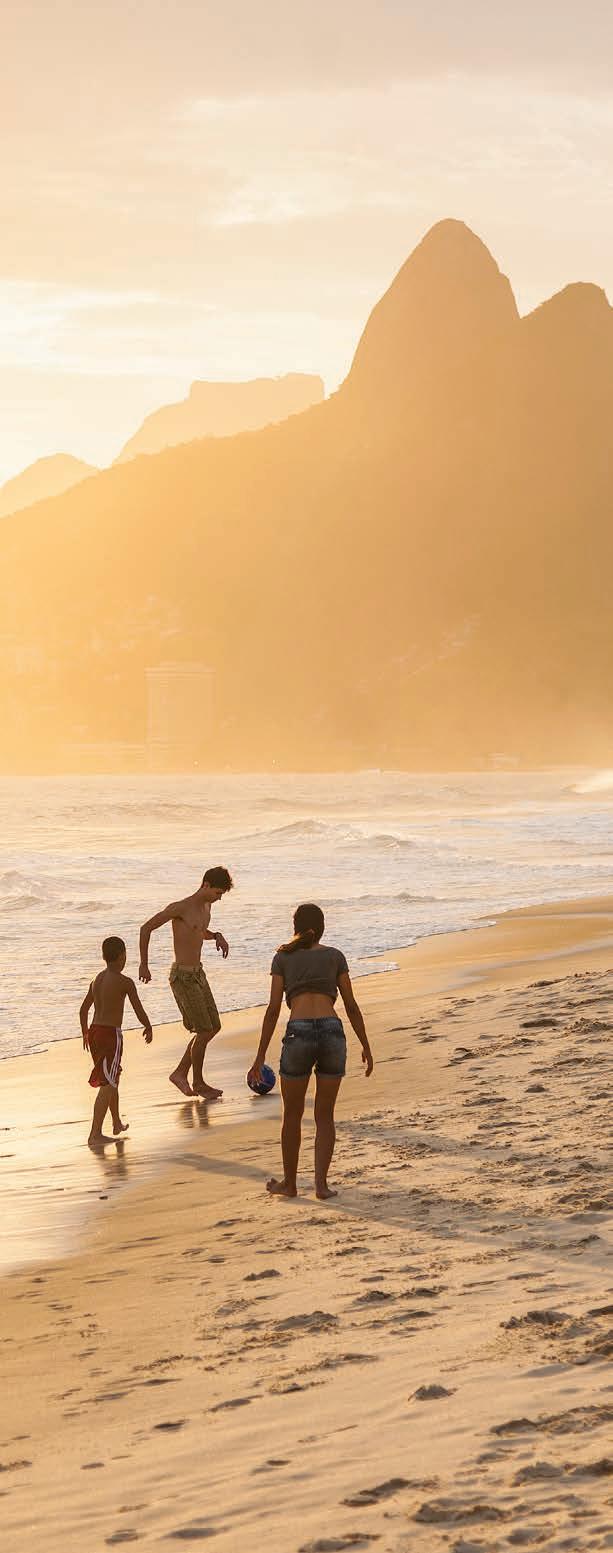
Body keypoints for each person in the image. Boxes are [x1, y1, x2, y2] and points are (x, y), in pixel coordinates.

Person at [248, 902, 373, 1200]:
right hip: (332, 1032)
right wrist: (366, 1045)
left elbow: (273, 1010)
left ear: (295, 927)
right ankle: (321, 1186)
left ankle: (290, 1184)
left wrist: (260, 1056)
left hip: (299, 1032)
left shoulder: (282, 958)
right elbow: (351, 1006)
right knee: (324, 1115)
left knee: (292, 1114)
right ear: (322, 928)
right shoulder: (335, 956)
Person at [138, 865, 233, 1101]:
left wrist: (217, 936)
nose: (219, 898)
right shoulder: (180, 908)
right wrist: (144, 964)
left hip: (198, 974)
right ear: (206, 885)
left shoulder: (207, 907)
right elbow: (146, 928)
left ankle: (180, 1073)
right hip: (182, 977)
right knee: (203, 1030)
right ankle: (198, 1083)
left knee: (213, 1027)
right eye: (218, 893)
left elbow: (199, 931)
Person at [80, 935, 153, 1147]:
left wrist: (85, 1033)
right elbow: (138, 1008)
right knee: (108, 1083)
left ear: (104, 957)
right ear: (122, 956)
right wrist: (148, 1026)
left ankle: (116, 1122)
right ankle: (95, 1134)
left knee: (111, 1078)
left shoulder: (96, 980)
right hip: (111, 1034)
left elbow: (83, 1010)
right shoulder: (125, 982)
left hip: (94, 1032)